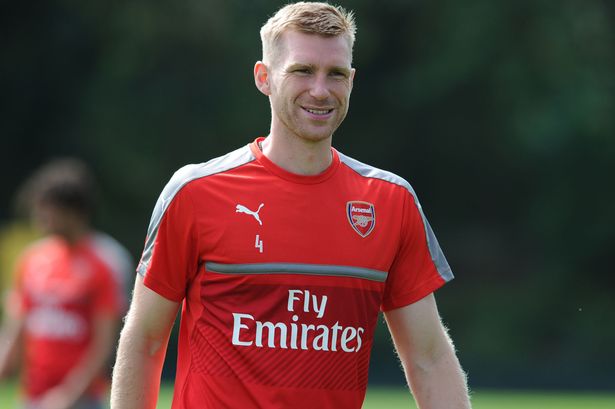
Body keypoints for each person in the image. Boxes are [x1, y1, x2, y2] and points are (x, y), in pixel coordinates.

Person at [111, 2, 471, 408]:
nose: (320, 90)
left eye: (335, 74)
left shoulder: (391, 202)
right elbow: (144, 340)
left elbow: (429, 358)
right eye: (302, 70)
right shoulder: (196, 192)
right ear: (264, 78)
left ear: (351, 81)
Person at [0, 158, 132, 409]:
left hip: (82, 400)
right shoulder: (32, 259)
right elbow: (15, 329)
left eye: (47, 208)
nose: (39, 215)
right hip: (34, 396)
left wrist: (67, 397)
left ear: (74, 211)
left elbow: (105, 343)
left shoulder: (107, 262)